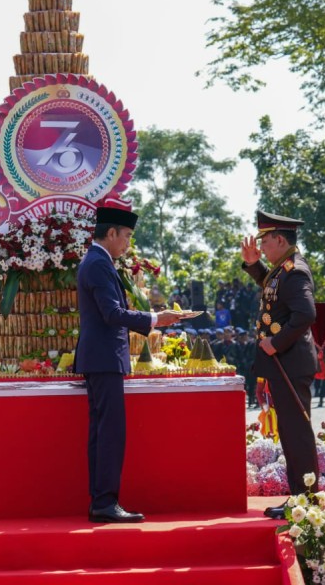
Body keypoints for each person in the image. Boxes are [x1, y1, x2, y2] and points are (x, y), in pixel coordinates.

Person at [75, 197, 184, 524]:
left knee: (102, 432)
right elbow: (112, 314)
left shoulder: (97, 261)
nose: (127, 244)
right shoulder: (98, 263)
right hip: (104, 359)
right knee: (110, 433)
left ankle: (101, 501)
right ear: (111, 233)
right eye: (126, 236)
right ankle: (105, 502)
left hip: (100, 359)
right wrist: (155, 318)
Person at [240, 210, 318, 519]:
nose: (262, 246)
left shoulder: (295, 271)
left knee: (297, 433)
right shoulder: (282, 269)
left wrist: (276, 342)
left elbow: (305, 314)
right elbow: (274, 291)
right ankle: (299, 498)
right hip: (284, 365)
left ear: (281, 240)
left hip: (291, 364)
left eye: (266, 241)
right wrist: (253, 264)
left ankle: (306, 500)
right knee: (289, 431)